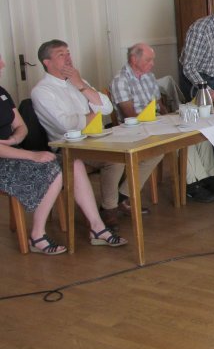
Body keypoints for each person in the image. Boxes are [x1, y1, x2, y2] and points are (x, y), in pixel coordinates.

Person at [0, 54, 127, 253]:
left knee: (71, 162)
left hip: (14, 152)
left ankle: (97, 227)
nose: (3, 64)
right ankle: (37, 235)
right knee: (56, 170)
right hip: (5, 161)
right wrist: (33, 156)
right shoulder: (41, 90)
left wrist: (16, 139)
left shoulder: (2, 93)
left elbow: (20, 126)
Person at [32, 39, 156, 226]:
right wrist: (92, 114)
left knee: (153, 148)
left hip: (97, 136)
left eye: (68, 53)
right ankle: (109, 208)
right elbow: (66, 125)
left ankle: (123, 197)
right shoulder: (42, 91)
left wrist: (81, 85)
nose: (68, 58)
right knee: (114, 158)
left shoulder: (78, 82)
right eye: (61, 55)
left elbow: (106, 108)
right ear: (46, 62)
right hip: (70, 145)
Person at [111, 43, 214, 204]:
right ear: (133, 60)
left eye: (153, 60)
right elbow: (130, 115)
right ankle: (192, 184)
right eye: (149, 60)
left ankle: (209, 177)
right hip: (138, 128)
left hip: (157, 122)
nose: (153, 63)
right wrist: (164, 122)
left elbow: (159, 105)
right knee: (182, 139)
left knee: (198, 132)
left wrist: (170, 118)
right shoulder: (120, 81)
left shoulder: (148, 76)